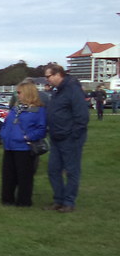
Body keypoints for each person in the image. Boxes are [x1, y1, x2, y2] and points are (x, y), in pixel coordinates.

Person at [43, 63, 89, 213]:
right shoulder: (58, 91)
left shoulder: (72, 89)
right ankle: (59, 200)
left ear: (58, 74)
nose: (47, 79)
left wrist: (74, 135)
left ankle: (69, 202)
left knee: (71, 171)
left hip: (70, 138)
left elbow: (82, 115)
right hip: (56, 137)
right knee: (53, 170)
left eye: (48, 76)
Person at [0, 81, 47, 207]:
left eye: (19, 92)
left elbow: (41, 130)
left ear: (27, 93)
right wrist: (3, 134)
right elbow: (6, 124)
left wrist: (26, 137)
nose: (17, 95)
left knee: (24, 176)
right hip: (9, 146)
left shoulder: (38, 110)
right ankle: (7, 199)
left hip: (24, 148)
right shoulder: (15, 109)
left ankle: (24, 201)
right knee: (8, 175)